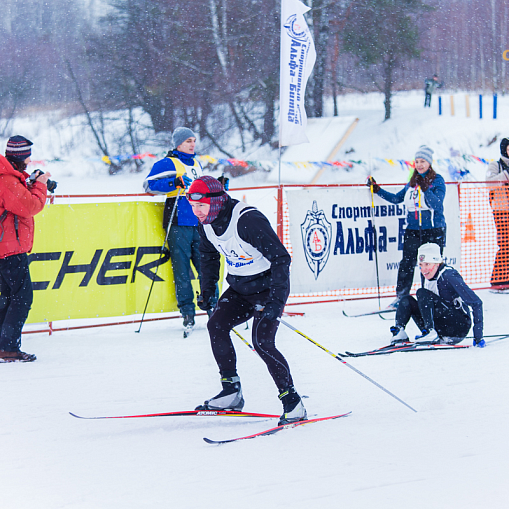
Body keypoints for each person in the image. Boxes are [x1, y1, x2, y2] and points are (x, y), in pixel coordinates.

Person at [187, 175, 307, 425]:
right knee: (216, 326)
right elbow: (208, 258)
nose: (196, 211)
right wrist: (207, 290)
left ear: (216, 201)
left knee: (262, 342)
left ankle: (293, 403)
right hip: (240, 288)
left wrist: (276, 302)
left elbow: (281, 259)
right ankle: (231, 391)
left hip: (267, 288)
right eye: (192, 206)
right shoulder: (205, 224)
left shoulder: (247, 220)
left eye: (201, 205)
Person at [143, 127, 207, 336]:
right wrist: (174, 182)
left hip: (199, 221)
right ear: (178, 144)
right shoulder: (168, 163)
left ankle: (213, 307)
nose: (192, 144)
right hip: (178, 221)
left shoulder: (197, 163)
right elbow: (148, 185)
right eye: (188, 141)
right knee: (182, 271)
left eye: (194, 141)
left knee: (206, 268)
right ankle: (188, 312)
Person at [368, 145, 446, 308]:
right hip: (413, 230)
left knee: (431, 265)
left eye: (422, 161)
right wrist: (378, 190)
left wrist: (425, 188)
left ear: (429, 163)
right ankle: (401, 297)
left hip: (432, 229)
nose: (419, 165)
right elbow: (397, 199)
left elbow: (437, 204)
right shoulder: (412, 182)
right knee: (407, 263)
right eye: (417, 161)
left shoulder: (437, 180)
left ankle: (435, 296)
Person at [0, 136, 50, 362]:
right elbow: (29, 206)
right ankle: (8, 348)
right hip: (9, 246)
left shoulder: (9, 177)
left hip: (7, 244)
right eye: (27, 157)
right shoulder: (6, 179)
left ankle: (5, 345)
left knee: (8, 297)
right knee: (22, 297)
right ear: (19, 157)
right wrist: (40, 185)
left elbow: (17, 198)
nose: (30, 161)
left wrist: (33, 183)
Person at [389, 243, 485, 347]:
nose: (423, 270)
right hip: (441, 326)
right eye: (421, 265)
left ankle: (431, 332)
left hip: (458, 327)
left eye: (427, 264)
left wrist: (478, 336)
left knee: (422, 293)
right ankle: (400, 331)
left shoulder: (449, 275)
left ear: (437, 263)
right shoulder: (428, 275)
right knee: (406, 299)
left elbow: (476, 302)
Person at [486, 137, 509, 293]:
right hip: (502, 210)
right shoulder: (496, 165)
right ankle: (498, 281)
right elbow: (489, 182)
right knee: (505, 244)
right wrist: (506, 175)